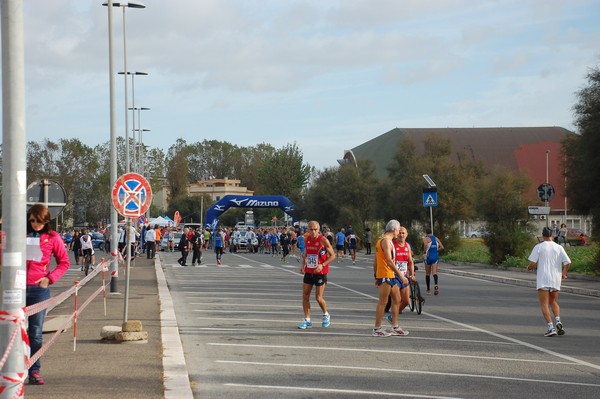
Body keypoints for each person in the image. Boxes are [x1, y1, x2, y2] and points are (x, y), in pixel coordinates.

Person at [26, 204, 71, 385]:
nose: (36, 224)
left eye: (40, 221)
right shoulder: (17, 233)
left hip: (39, 291)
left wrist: (49, 279)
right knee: (11, 331)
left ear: (46, 221)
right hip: (16, 289)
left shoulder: (52, 238)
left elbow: (64, 262)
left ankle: (34, 370)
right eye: (33, 220)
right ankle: (12, 369)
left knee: (35, 332)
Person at [527, 226, 571, 337]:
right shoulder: (559, 247)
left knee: (544, 304)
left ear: (542, 235)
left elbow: (532, 264)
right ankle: (558, 321)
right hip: (555, 278)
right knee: (554, 302)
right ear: (552, 235)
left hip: (543, 278)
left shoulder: (539, 246)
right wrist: (564, 273)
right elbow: (568, 262)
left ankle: (551, 327)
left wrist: (529, 268)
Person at [373, 219, 409, 337]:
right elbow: (389, 261)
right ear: (394, 230)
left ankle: (395, 326)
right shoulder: (386, 241)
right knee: (383, 302)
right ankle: (377, 329)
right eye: (398, 230)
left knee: (397, 299)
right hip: (385, 275)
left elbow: (376, 260)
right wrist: (401, 275)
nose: (399, 232)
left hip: (390, 275)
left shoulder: (388, 241)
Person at [298, 220, 336, 329]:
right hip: (309, 271)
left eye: (315, 229)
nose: (313, 232)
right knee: (305, 296)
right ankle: (307, 320)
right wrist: (303, 265)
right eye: (311, 229)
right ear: (308, 230)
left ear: (318, 230)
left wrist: (322, 265)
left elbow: (332, 255)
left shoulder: (323, 240)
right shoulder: (307, 239)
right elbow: (307, 254)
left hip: (320, 272)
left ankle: (326, 314)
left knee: (318, 298)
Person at [422, 227, 444, 295]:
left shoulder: (425, 239)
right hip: (435, 257)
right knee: (434, 272)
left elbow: (425, 245)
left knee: (427, 273)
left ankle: (428, 290)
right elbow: (442, 247)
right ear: (431, 232)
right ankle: (436, 285)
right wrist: (436, 250)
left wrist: (425, 252)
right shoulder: (436, 238)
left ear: (426, 233)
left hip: (428, 257)